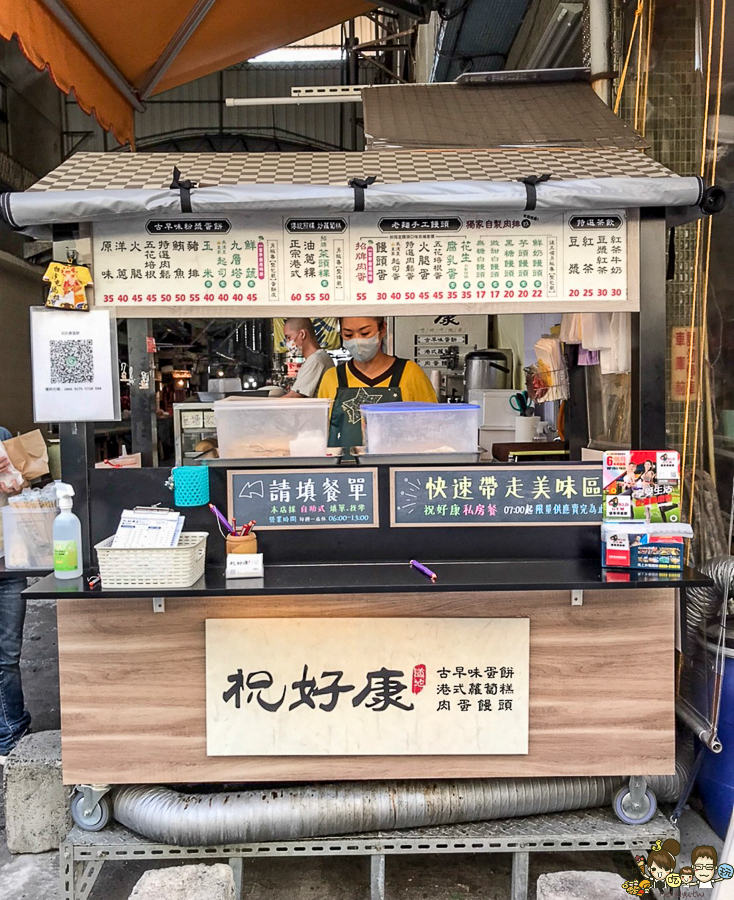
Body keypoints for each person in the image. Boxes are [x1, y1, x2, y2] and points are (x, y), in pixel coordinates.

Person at [317, 316, 437, 450]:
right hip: (345, 468)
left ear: (383, 329)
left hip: (398, 467)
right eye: (348, 334)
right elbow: (318, 432)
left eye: (365, 333)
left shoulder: (410, 373)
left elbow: (432, 428)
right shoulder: (332, 378)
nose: (357, 340)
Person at [0, 426, 31, 762]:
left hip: (8, 561)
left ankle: (11, 732)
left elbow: (26, 487)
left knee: (7, 657)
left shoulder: (2, 436)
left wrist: (15, 476)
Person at [280, 318, 334, 399]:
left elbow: (294, 396)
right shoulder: (318, 358)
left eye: (288, 337)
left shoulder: (315, 360)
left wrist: (266, 406)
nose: (287, 342)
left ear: (302, 334)